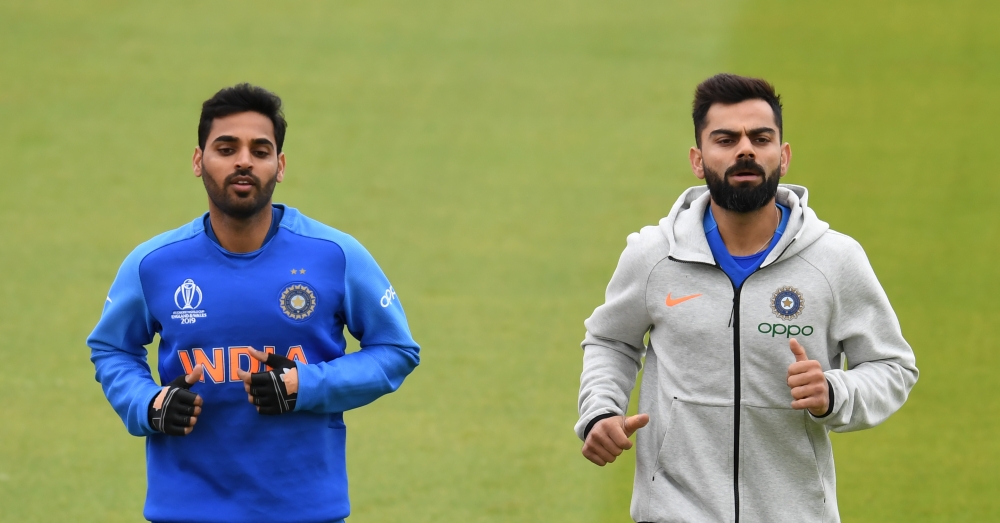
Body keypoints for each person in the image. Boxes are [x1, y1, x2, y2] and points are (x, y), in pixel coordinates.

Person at [575, 73, 918, 523]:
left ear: (784, 155)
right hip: (674, 512)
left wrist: (835, 391)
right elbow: (611, 341)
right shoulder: (654, 256)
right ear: (698, 160)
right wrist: (601, 410)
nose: (745, 150)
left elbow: (893, 368)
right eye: (725, 138)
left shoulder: (835, 260)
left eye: (761, 137)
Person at [88, 83, 420, 523]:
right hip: (186, 511)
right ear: (197, 160)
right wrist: (148, 403)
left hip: (306, 512)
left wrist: (305, 384)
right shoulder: (154, 264)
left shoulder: (335, 256)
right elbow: (112, 347)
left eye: (260, 151)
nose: (244, 160)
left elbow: (396, 351)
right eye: (226, 148)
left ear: (279, 166)